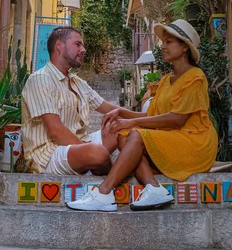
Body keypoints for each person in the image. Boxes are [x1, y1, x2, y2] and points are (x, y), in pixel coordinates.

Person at [67, 19, 218, 212]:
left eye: (169, 42)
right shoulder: (165, 80)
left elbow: (177, 118)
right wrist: (121, 112)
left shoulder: (196, 77)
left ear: (185, 47)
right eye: (163, 42)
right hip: (172, 139)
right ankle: (153, 188)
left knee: (136, 133)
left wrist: (132, 121)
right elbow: (152, 115)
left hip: (195, 142)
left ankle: (104, 192)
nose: (162, 47)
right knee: (124, 136)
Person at [21, 26, 119, 175]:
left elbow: (110, 109)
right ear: (59, 46)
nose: (83, 49)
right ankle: (114, 173)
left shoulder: (77, 82)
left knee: (123, 129)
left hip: (78, 144)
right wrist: (87, 154)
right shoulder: (40, 79)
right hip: (48, 155)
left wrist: (150, 118)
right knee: (97, 153)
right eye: (78, 44)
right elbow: (56, 131)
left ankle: (107, 167)